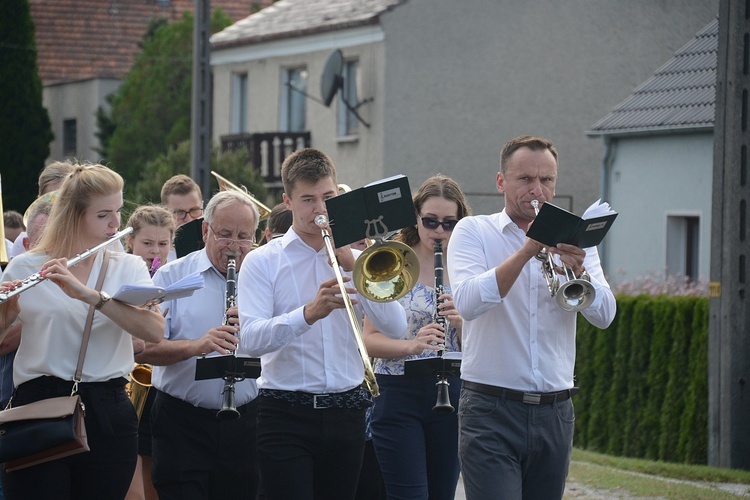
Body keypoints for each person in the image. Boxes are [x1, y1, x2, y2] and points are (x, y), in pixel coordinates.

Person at [447, 135, 617, 500]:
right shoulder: (473, 231)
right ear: (501, 182)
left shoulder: (578, 241)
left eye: (547, 180)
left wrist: (581, 272)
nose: (537, 189)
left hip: (556, 410)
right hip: (491, 408)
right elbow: (467, 304)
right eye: (525, 179)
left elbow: (604, 316)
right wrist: (527, 251)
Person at [238, 148, 407, 500]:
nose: (320, 210)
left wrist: (354, 268)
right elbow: (250, 340)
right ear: (288, 201)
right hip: (284, 412)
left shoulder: (360, 259)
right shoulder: (262, 262)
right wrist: (307, 314)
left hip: (347, 412)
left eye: (328, 198)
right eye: (308, 200)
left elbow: (396, 327)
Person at [0, 163, 164, 499]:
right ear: (74, 215)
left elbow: (154, 331)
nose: (116, 224)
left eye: (118, 211)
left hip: (108, 409)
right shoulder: (27, 266)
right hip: (40, 405)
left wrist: (92, 297)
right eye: (103, 214)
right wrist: (5, 315)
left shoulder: (129, 266)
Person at [138, 190, 261, 500]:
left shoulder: (262, 277)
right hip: (182, 423)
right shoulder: (171, 277)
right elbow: (142, 348)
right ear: (205, 230)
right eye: (225, 234)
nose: (234, 246)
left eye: (244, 237)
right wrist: (197, 346)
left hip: (247, 423)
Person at [361, 174, 470, 500]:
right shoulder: (392, 262)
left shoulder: (469, 265)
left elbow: (488, 340)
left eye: (449, 223)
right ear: (416, 219)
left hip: (454, 391)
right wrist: (413, 345)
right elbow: (367, 340)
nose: (439, 231)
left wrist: (462, 323)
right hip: (398, 391)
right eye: (431, 221)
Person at [123, 205, 176, 500]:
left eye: (163, 244)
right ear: (130, 241)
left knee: (155, 478)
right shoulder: (118, 274)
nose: (155, 251)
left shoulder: (171, 277)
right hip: (123, 386)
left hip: (159, 390)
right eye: (147, 243)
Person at [10, 161, 75, 259]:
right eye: (51, 198)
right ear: (39, 199)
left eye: (65, 199)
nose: (57, 207)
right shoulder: (23, 241)